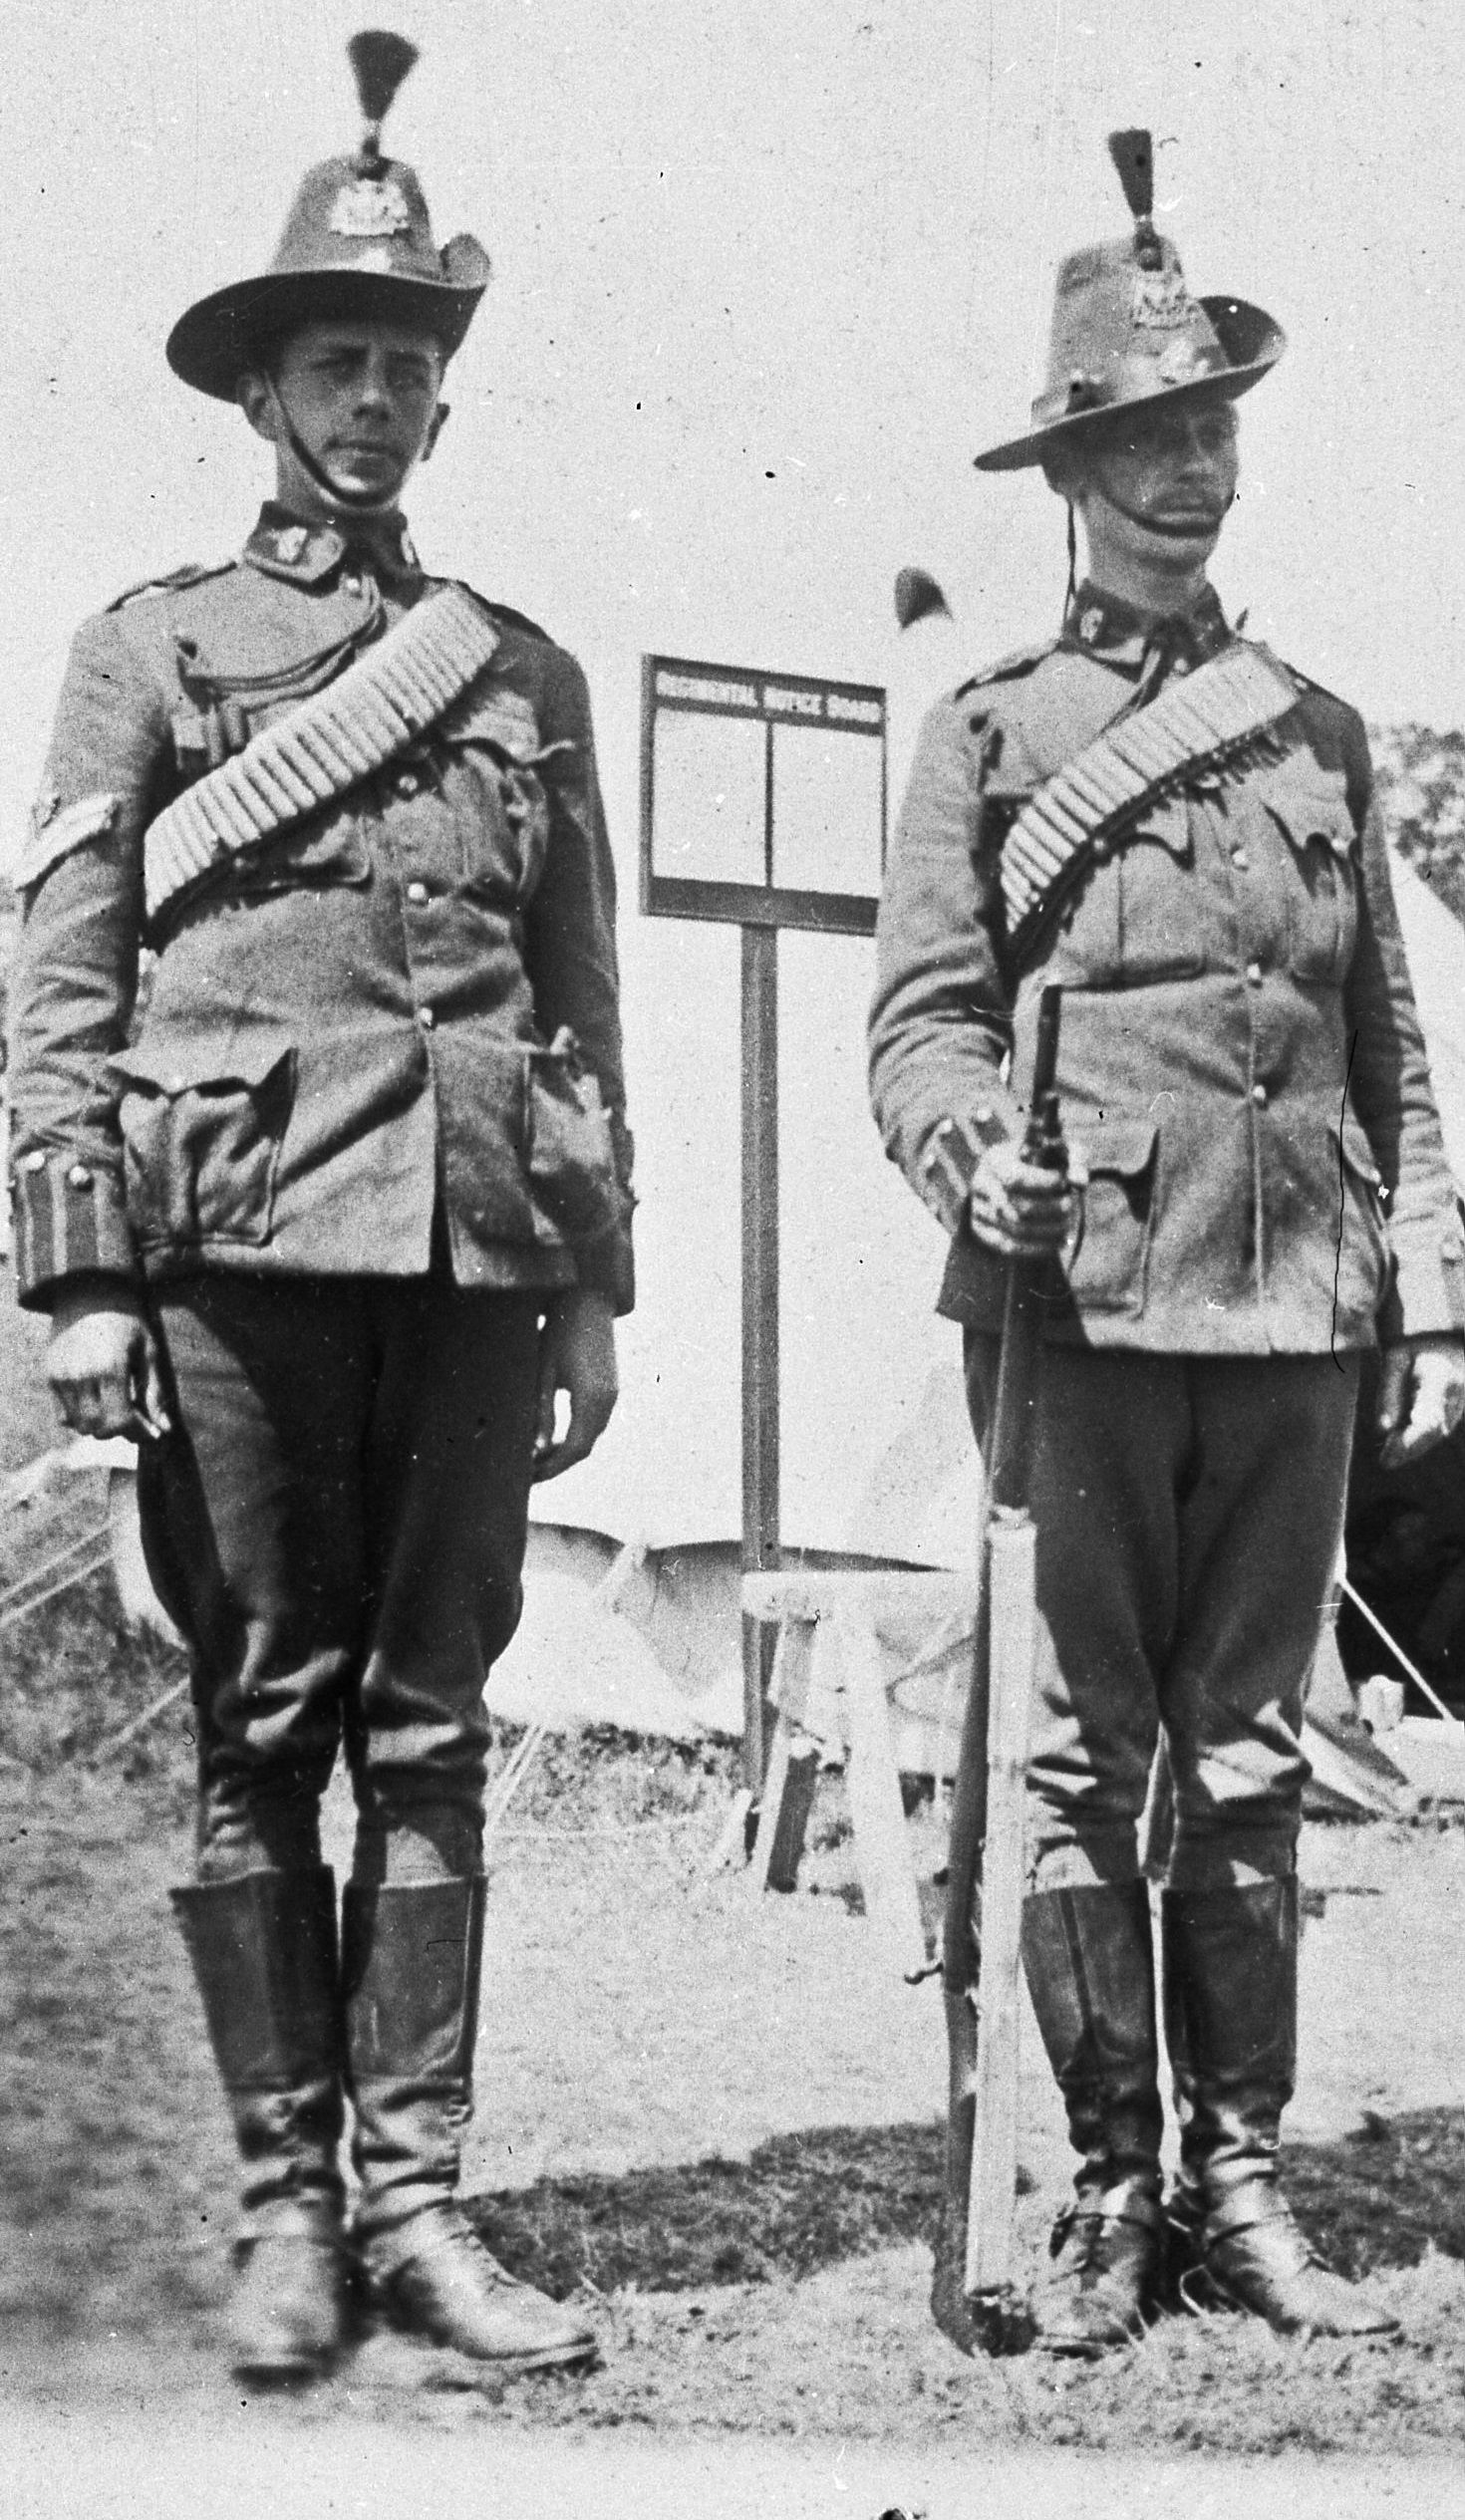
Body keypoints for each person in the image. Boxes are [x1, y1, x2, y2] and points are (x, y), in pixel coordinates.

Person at [7, 35, 633, 2382]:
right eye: (334, 361)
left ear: (440, 413)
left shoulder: (528, 672)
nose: (371, 401)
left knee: (439, 1728)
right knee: (261, 1721)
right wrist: (77, 1270)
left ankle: (421, 2206)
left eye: (405, 368)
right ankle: (287, 2208)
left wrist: (597, 1280)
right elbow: (60, 972)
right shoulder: (146, 652)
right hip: (239, 1256)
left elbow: (581, 1000)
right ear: (263, 392)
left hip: (478, 1256)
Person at [868, 130, 1465, 2356]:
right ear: (1074, 469)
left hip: (1296, 1299)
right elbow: (918, 1021)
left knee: (1246, 1753)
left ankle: (1243, 2179)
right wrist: (963, 1161)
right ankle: (1112, 2180)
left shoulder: (1317, 731)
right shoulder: (993, 733)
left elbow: (1386, 1029)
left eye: (1211, 428)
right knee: (1076, 1754)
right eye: (1145, 439)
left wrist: (1437, 1276)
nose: (1188, 472)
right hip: (1085, 1303)